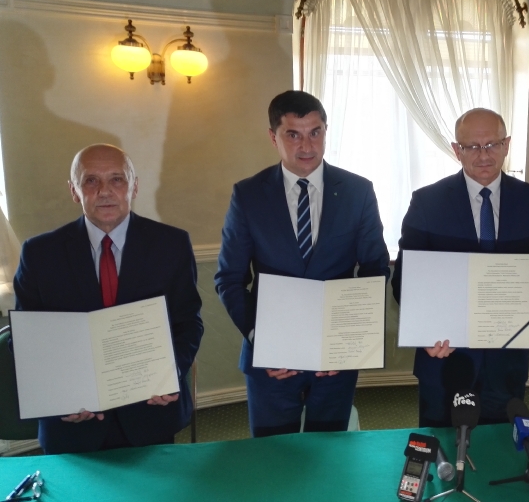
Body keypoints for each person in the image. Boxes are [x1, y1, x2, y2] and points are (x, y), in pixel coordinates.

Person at [215, 90, 390, 437]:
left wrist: (347, 342)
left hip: (336, 359)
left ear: (326, 131)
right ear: (273, 137)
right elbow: (229, 279)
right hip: (271, 361)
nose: (307, 146)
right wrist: (262, 340)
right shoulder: (248, 195)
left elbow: (374, 269)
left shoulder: (358, 191)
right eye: (293, 134)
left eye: (315, 132)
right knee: (273, 454)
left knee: (330, 452)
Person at [13, 144, 203, 454]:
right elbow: (26, 340)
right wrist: (59, 396)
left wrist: (170, 373)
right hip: (72, 423)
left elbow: (188, 323)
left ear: (134, 186)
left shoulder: (171, 244)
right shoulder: (39, 254)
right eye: (91, 181)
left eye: (117, 179)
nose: (104, 191)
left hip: (150, 414)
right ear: (74, 191)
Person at [392, 108, 529, 427]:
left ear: (506, 145)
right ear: (457, 150)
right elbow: (405, 280)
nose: (483, 155)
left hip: (507, 360)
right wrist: (425, 331)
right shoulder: (427, 202)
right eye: (472, 146)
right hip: (445, 358)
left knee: (501, 447)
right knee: (442, 447)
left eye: (492, 144)